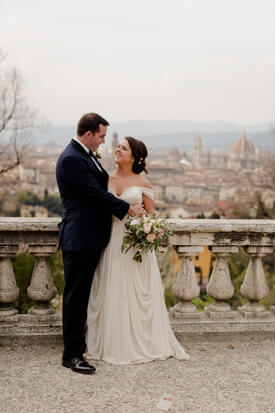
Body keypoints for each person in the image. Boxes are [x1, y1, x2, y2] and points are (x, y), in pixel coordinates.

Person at [84, 136, 189, 364]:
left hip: (134, 245)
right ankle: (113, 342)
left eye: (124, 148)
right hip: (111, 241)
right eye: (118, 147)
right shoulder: (105, 178)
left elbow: (151, 217)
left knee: (136, 294)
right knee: (112, 289)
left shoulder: (144, 184)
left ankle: (140, 341)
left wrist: (146, 226)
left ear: (135, 156)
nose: (118, 150)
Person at [56, 113, 146, 374]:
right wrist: (127, 209)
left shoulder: (82, 155)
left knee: (82, 295)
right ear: (89, 134)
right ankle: (71, 355)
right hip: (80, 237)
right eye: (101, 137)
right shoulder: (73, 158)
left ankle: (79, 348)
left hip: (89, 237)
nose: (103, 142)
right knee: (75, 297)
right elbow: (94, 194)